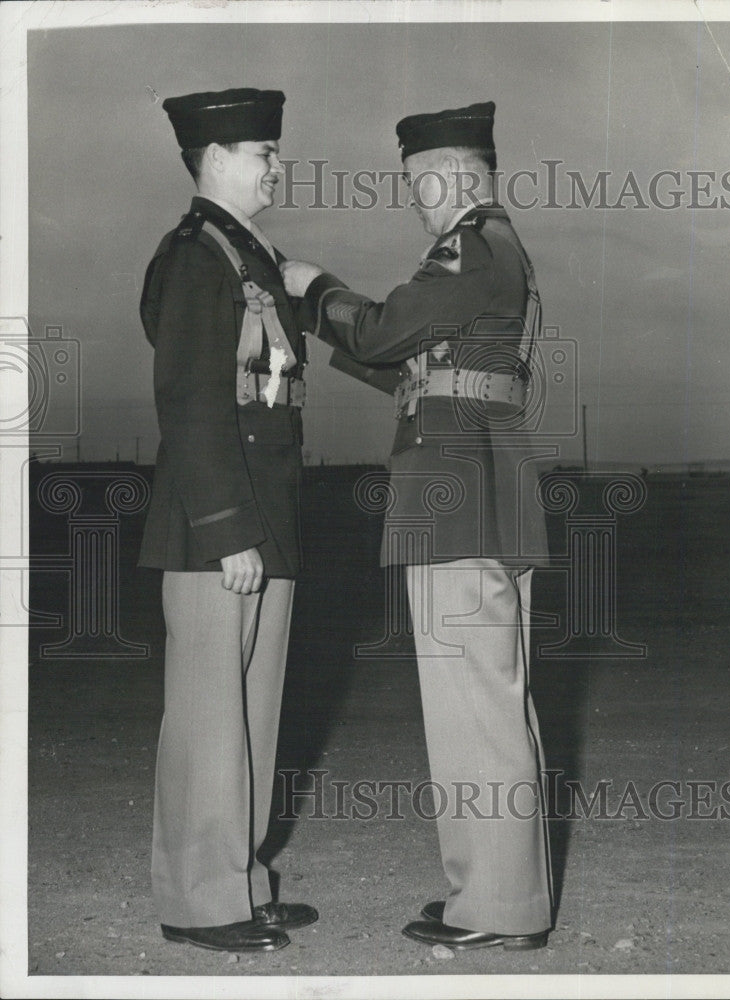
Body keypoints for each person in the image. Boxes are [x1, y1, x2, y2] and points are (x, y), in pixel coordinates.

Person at [282, 101, 554, 951]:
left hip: (456, 496)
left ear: (450, 176)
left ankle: (501, 910)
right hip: (478, 485)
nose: (415, 202)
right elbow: (414, 365)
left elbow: (386, 328)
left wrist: (314, 290)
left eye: (416, 184)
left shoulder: (470, 245)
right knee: (483, 702)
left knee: (475, 707)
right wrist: (350, 327)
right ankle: (493, 893)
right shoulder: (499, 252)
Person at [138, 87, 317, 953]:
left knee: (251, 714)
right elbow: (190, 400)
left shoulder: (245, 253)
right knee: (211, 716)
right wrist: (226, 528)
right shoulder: (195, 257)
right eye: (261, 151)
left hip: (260, 516)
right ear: (213, 160)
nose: (275, 164)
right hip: (221, 527)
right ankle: (199, 900)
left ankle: (239, 880)